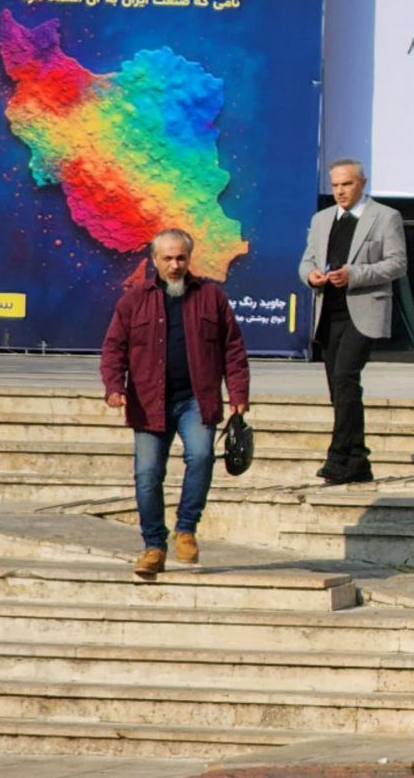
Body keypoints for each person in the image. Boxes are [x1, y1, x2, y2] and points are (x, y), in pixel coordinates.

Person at [100, 230, 249, 577]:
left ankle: (186, 529)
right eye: (167, 258)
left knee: (201, 456)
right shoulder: (134, 300)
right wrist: (114, 386)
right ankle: (154, 546)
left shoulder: (211, 297)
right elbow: (114, 348)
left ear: (189, 259)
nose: (174, 265)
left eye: (180, 258)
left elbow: (233, 349)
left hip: (197, 398)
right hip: (148, 401)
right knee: (147, 474)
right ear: (155, 260)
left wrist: (238, 394)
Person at [298, 159, 406, 485]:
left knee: (345, 376)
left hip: (363, 311)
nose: (340, 191)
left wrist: (354, 275)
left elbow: (397, 264)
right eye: (335, 185)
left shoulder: (385, 217)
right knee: (339, 387)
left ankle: (338, 459)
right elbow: (306, 261)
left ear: (362, 183)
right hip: (328, 313)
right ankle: (357, 460)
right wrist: (311, 276)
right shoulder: (321, 220)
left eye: (347, 184)